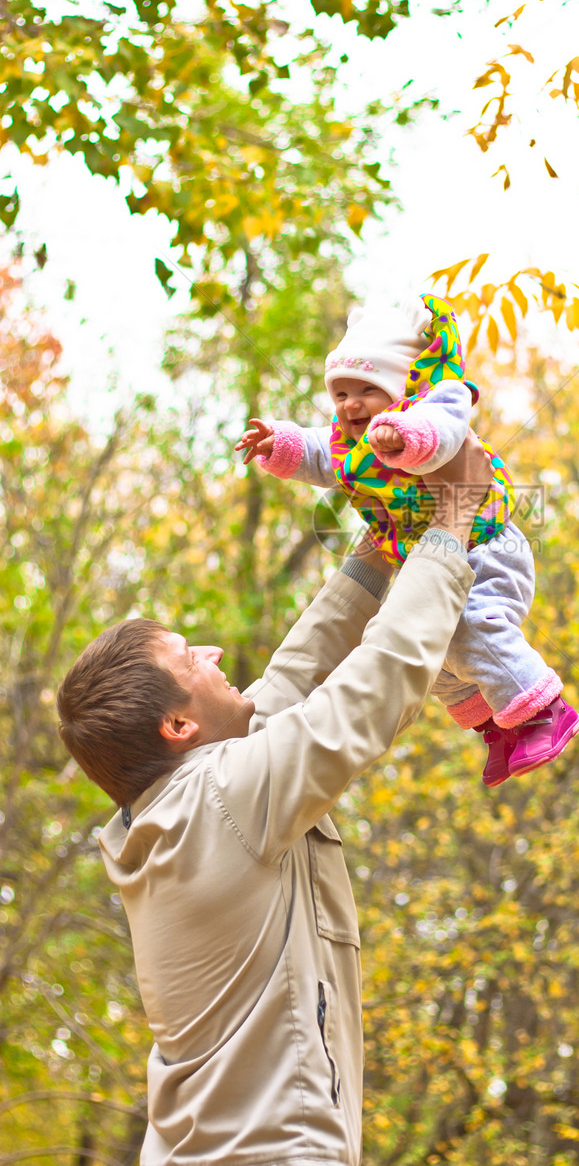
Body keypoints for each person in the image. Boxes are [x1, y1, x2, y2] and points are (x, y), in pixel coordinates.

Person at [56, 436, 492, 1166]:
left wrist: (382, 547)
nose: (216, 655)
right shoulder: (223, 800)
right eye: (191, 657)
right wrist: (451, 522)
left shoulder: (184, 807)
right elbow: (374, 686)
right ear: (178, 726)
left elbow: (293, 675)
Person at [235, 293, 579, 787]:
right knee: (431, 645)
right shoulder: (348, 441)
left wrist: (404, 437)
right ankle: (494, 724)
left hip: (488, 549)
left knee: (471, 625)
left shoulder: (436, 401)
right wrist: (279, 442)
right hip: (437, 555)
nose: (351, 405)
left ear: (399, 385)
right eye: (340, 394)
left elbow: (442, 429)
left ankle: (544, 712)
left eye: (367, 390)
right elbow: (317, 450)